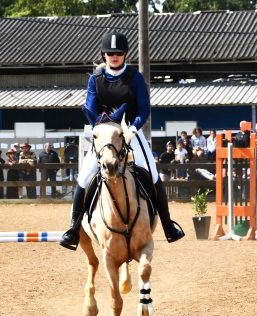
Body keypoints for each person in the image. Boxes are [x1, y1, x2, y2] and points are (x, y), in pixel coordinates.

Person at [59, 31, 184, 250]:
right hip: (105, 135)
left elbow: (144, 108)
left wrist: (134, 128)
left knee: (152, 173)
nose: (114, 56)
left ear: (125, 54)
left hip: (130, 132)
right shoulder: (96, 78)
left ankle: (167, 225)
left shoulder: (134, 77)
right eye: (110, 53)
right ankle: (73, 229)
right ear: (104, 55)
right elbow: (90, 106)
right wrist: (103, 126)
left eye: (118, 53)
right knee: (85, 176)